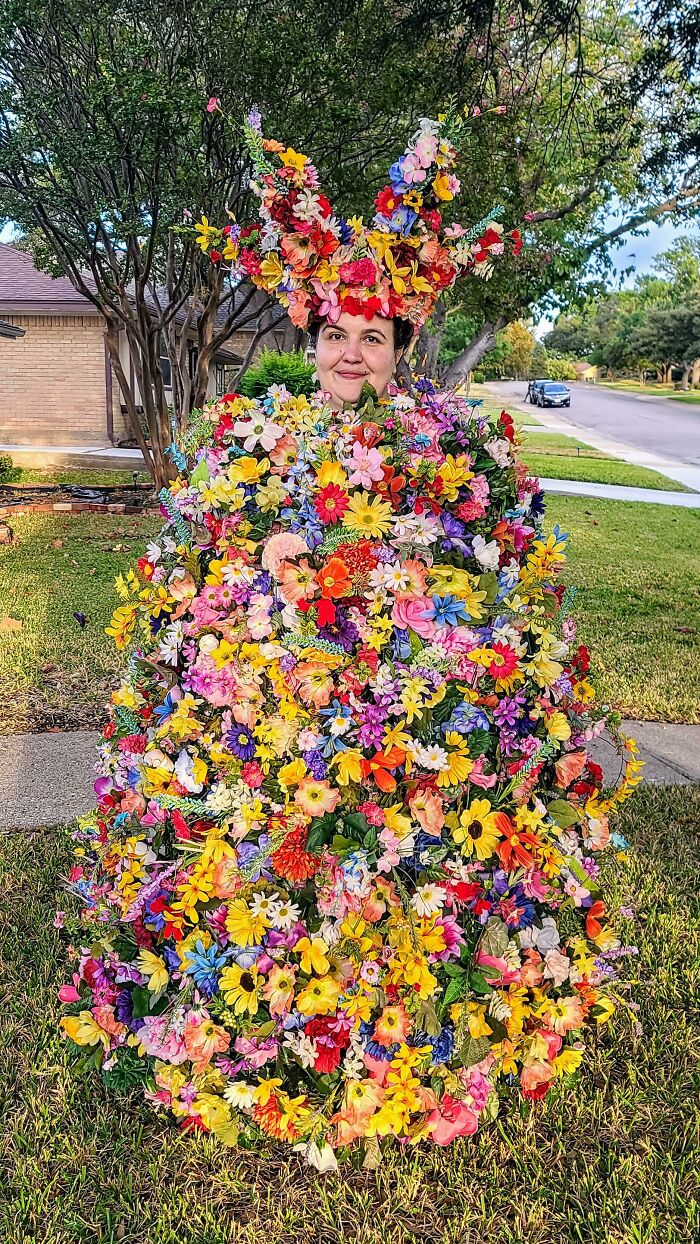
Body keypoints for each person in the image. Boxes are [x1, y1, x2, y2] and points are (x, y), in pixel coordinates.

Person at [60, 110, 641, 1168]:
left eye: (372, 336)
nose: (349, 351)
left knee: (400, 860)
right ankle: (252, 1026)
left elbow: (493, 574)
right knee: (263, 862)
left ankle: (412, 1034)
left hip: (414, 710)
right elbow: (192, 564)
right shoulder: (252, 440)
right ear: (311, 339)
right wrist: (249, 577)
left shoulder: (451, 444)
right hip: (263, 709)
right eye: (335, 332)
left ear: (399, 350)